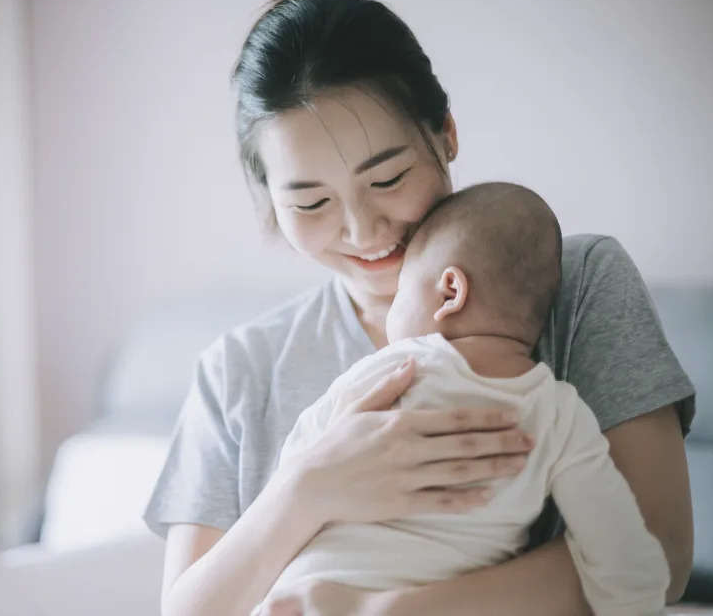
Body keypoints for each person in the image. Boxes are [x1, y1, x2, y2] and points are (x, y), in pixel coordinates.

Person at [144, 0, 695, 616]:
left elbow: (662, 552)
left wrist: (395, 608)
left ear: (446, 133)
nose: (363, 229)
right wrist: (305, 488)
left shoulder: (575, 285)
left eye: (388, 178)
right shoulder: (239, 369)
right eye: (310, 202)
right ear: (272, 202)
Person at [257, 182, 669, 616]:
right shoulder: (561, 413)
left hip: (314, 592)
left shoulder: (394, 369)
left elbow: (302, 460)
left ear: (450, 291)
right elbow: (621, 550)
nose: (392, 309)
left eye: (400, 293)